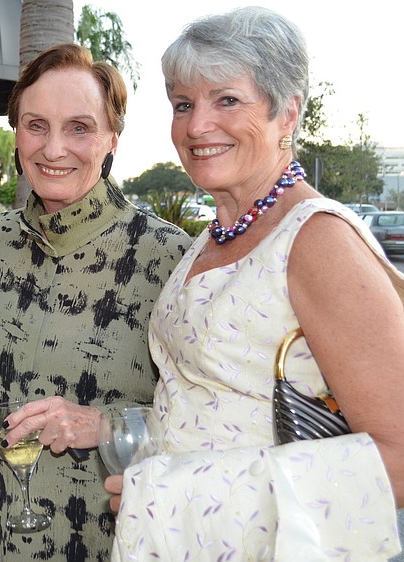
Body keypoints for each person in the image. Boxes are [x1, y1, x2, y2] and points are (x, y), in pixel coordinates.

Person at [105, 7, 404, 560]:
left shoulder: (318, 242)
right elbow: (217, 403)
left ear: (286, 113)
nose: (197, 126)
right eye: (183, 104)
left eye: (227, 100)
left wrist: (174, 497)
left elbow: (399, 456)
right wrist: (108, 431)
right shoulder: (211, 237)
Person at [0, 43, 191, 562]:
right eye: (36, 125)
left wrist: (104, 426)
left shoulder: (169, 258)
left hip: (109, 540)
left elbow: (209, 424)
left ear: (112, 137)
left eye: (79, 127)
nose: (54, 149)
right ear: (16, 132)